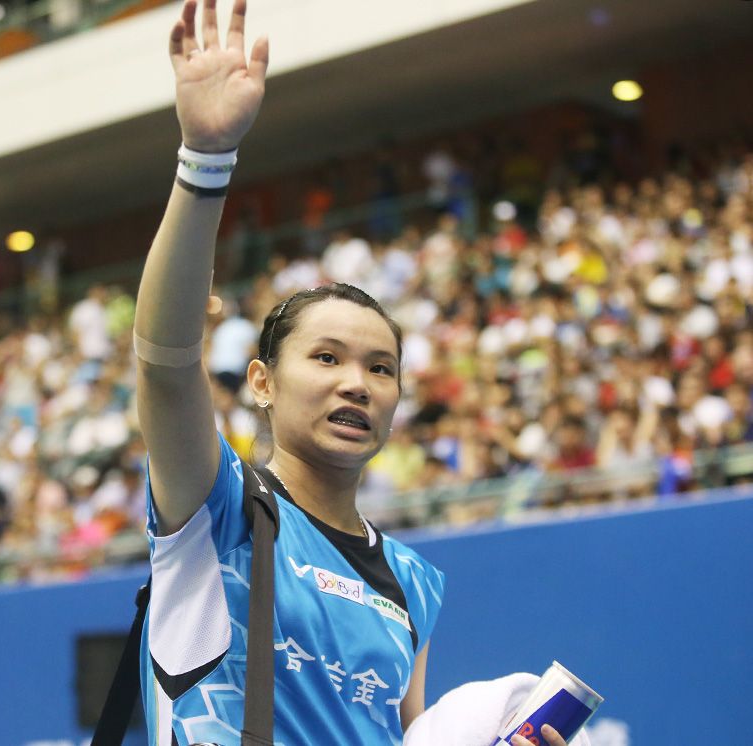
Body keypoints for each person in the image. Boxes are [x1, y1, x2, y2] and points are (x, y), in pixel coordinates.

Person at [132, 2, 570, 745]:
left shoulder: (413, 582)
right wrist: (205, 160)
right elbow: (166, 362)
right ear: (263, 382)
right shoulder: (217, 509)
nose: (357, 383)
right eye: (326, 358)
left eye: (381, 368)